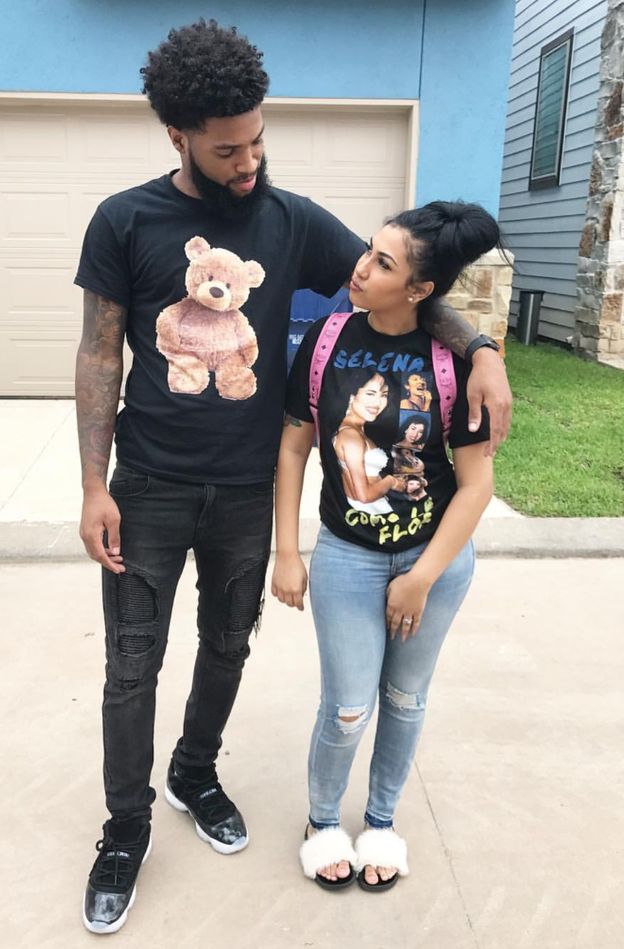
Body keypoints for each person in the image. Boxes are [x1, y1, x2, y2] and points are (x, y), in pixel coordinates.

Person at [74, 19, 511, 934]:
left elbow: (400, 285)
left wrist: (479, 348)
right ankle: (126, 827)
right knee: (129, 666)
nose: (249, 159)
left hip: (243, 492)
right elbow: (99, 351)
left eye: (259, 138)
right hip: (148, 482)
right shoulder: (126, 220)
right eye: (229, 148)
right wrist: (94, 484)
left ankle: (195, 771)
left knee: (227, 646)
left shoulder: (290, 218)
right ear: (178, 138)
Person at [271, 200, 499, 893]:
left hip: (434, 564)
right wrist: (289, 550)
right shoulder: (326, 339)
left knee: (404, 698)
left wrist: (422, 576)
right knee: (347, 706)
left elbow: (476, 486)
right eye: (368, 251)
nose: (360, 268)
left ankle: (379, 820)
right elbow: (292, 446)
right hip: (347, 556)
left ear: (421, 290)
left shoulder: (453, 361)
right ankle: (320, 821)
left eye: (382, 263)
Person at [333, 371, 398, 515]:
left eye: (384, 395)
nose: (377, 402)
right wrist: (391, 482)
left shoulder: (354, 430)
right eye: (370, 393)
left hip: (370, 513)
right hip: (369, 513)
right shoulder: (351, 436)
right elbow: (363, 496)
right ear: (351, 396)